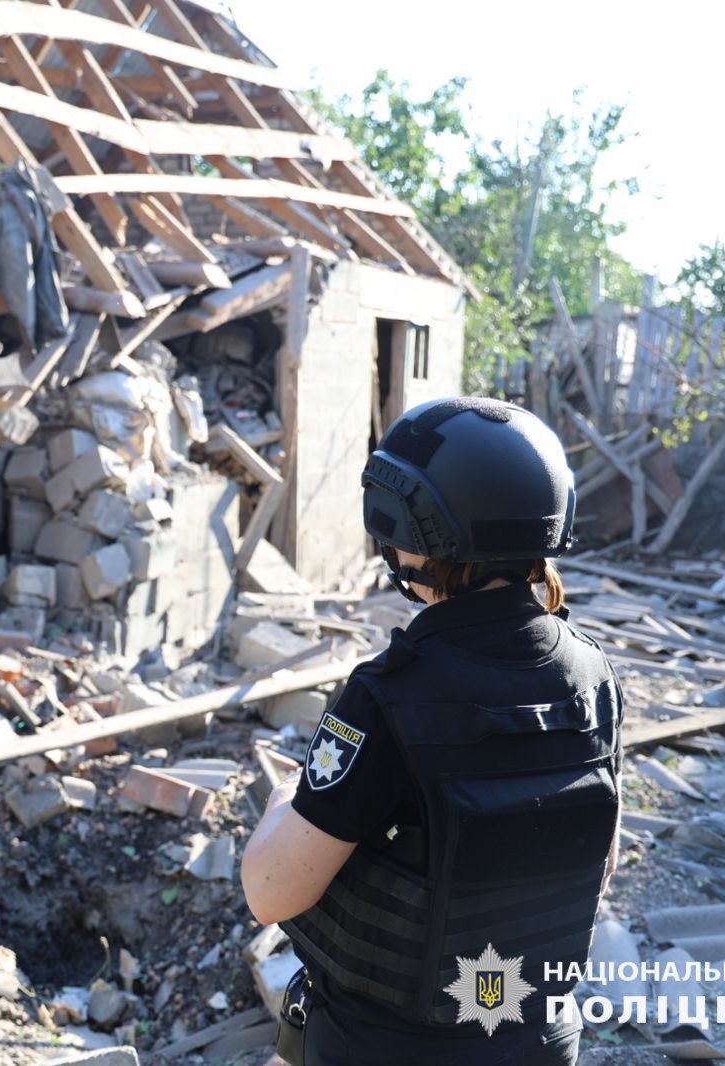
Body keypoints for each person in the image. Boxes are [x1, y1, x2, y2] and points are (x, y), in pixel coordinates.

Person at [240, 396, 623, 1066]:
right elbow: (597, 864)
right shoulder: (592, 674)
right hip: (537, 1038)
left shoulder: (391, 694)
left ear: (414, 529)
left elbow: (270, 893)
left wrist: (285, 799)